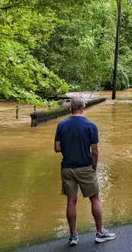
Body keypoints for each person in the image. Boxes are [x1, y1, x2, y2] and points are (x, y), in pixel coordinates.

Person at [54, 96, 116, 246]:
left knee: (71, 201)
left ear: (71, 108)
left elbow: (57, 148)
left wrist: (69, 147)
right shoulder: (90, 125)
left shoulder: (61, 125)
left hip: (67, 168)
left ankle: (73, 236)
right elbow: (95, 151)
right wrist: (93, 168)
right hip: (85, 167)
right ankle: (100, 232)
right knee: (94, 199)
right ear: (83, 108)